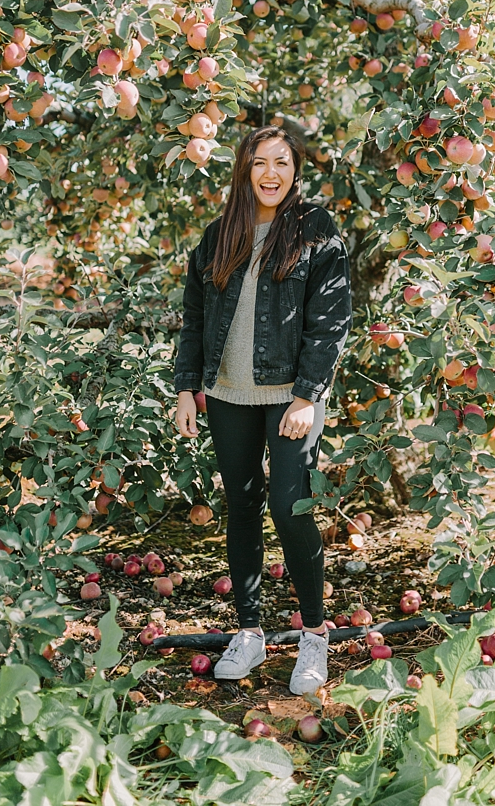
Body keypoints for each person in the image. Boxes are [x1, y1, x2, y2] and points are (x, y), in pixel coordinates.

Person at [171, 124, 352, 695]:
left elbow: (330, 320)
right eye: (259, 163)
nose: (270, 173)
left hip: (289, 396)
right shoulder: (219, 235)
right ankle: (248, 630)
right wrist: (185, 389)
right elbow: (196, 317)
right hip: (228, 393)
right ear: (244, 171)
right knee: (242, 504)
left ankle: (314, 636)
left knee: (290, 504)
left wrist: (308, 394)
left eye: (281, 162)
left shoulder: (315, 230)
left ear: (296, 169)